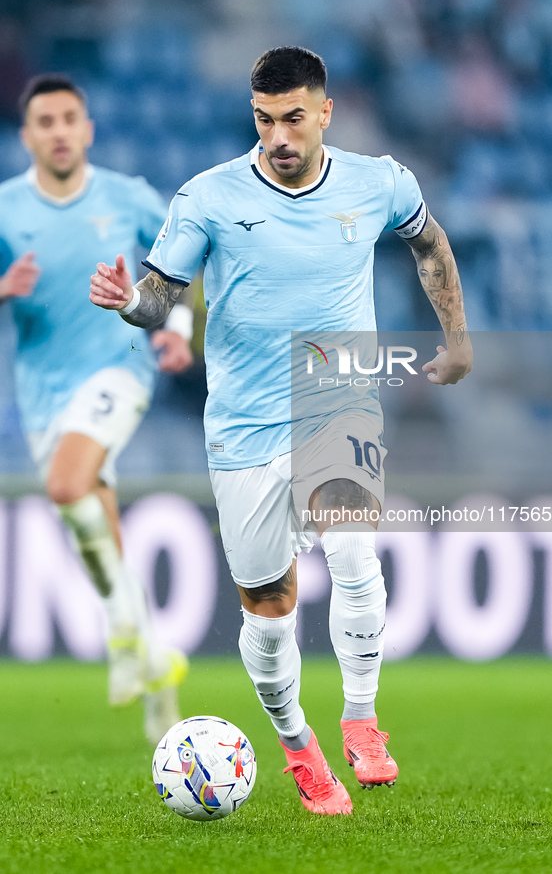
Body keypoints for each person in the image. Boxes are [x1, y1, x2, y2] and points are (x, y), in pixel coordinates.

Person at [90, 47, 472, 813]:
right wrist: (129, 301)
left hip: (336, 390)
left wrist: (457, 339)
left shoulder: (378, 181)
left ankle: (362, 721)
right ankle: (298, 746)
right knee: (268, 604)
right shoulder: (207, 197)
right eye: (264, 119)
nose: (278, 136)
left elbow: (427, 241)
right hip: (243, 419)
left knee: (355, 552)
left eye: (293, 118)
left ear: (324, 112)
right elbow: (162, 297)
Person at [0, 74, 195, 745]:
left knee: (64, 486)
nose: (57, 131)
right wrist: (3, 289)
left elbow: (185, 262)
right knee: (91, 513)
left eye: (68, 119)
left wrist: (176, 330)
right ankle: (155, 665)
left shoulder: (128, 197)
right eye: (44, 122)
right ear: (27, 136)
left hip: (121, 368)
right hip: (42, 393)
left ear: (87, 129)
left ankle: (119, 633)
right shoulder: (5, 210)